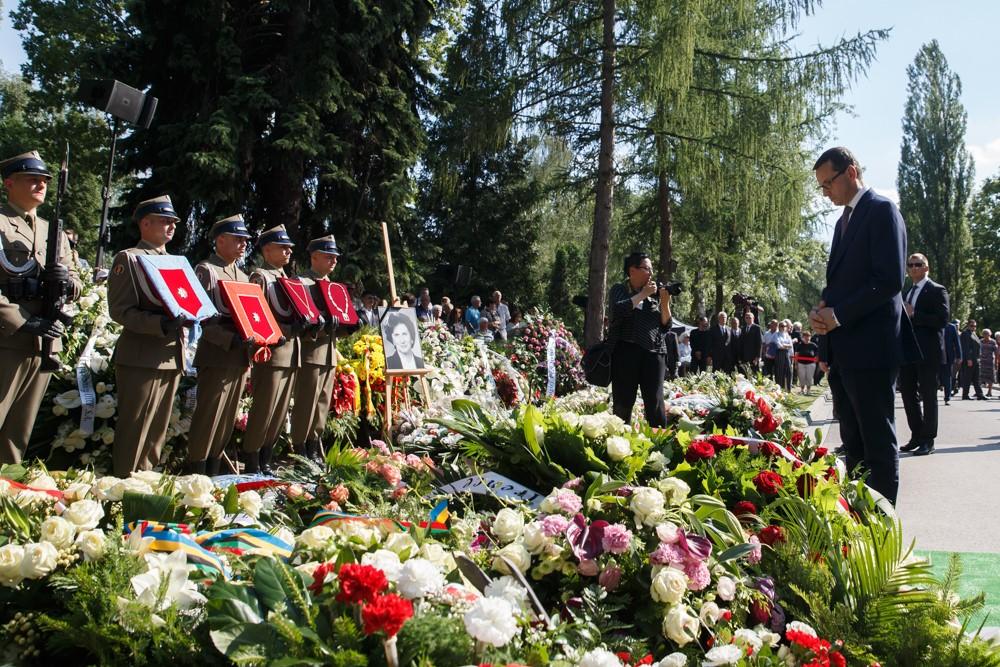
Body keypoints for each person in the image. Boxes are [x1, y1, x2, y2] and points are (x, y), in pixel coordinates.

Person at [810, 146, 915, 505]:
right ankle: (859, 520)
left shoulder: (881, 210)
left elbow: (888, 281)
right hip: (845, 351)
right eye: (822, 186)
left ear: (851, 172)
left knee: (877, 443)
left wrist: (837, 315)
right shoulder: (844, 220)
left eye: (829, 183)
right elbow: (841, 284)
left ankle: (883, 525)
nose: (826, 192)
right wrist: (823, 312)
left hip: (872, 349)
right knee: (852, 443)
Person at [0, 150, 82, 464]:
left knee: (18, 433)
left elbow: (76, 281)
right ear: (9, 183)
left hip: (45, 340)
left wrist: (66, 282)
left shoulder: (52, 230)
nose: (41, 185)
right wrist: (21, 320)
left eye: (44, 180)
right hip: (8, 337)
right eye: (32, 179)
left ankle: (7, 488)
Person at [107, 195, 186, 476]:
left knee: (156, 433)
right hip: (141, 355)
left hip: (170, 355)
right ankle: (123, 486)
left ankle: (145, 482)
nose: (171, 226)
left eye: (173, 222)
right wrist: (159, 323)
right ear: (145, 223)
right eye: (164, 221)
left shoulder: (176, 262)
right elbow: (120, 310)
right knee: (135, 429)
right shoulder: (129, 258)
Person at [186, 214, 254, 475]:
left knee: (227, 418)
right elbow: (200, 316)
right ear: (221, 240)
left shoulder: (243, 276)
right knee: (209, 416)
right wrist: (229, 339)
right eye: (238, 239)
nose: (243, 244)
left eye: (245, 240)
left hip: (240, 355)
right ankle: (197, 470)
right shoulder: (207, 270)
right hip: (217, 354)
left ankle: (214, 469)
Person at [243, 225, 306, 474]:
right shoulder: (261, 277)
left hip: (291, 352)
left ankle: (266, 457)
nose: (288, 251)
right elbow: (257, 315)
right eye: (282, 247)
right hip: (272, 352)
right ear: (267, 250)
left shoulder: (286, 278)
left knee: (279, 412)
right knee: (264, 409)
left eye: (289, 247)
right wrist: (286, 330)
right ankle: (252, 459)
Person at [290, 235, 342, 462]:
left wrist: (348, 326)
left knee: (322, 404)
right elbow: (299, 321)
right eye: (329, 256)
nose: (334, 261)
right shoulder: (300, 283)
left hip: (329, 353)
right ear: (314, 257)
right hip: (310, 351)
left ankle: (313, 447)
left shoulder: (333, 286)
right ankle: (299, 450)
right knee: (306, 404)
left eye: (335, 257)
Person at [606, 251, 673, 427]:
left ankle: (658, 441)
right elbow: (618, 310)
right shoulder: (620, 290)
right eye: (647, 269)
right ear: (632, 270)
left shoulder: (654, 295)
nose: (651, 273)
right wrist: (643, 294)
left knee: (655, 403)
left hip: (654, 354)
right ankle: (620, 440)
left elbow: (666, 325)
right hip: (626, 352)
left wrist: (665, 303)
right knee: (623, 403)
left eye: (652, 269)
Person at [897, 253, 949, 456]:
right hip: (908, 351)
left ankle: (928, 440)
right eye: (910, 265)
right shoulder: (907, 292)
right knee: (908, 394)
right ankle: (917, 435)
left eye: (918, 264)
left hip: (928, 352)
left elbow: (942, 319)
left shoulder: (937, 290)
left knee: (928, 395)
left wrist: (915, 314)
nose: (913, 268)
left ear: (926, 268)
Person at [959, 319, 985, 400]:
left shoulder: (973, 333)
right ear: (968, 326)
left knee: (976, 378)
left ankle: (980, 394)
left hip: (976, 359)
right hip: (969, 359)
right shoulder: (965, 334)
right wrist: (968, 359)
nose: (974, 327)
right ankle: (965, 395)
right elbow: (965, 347)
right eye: (972, 326)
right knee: (968, 377)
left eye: (975, 326)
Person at [941, 318, 962, 405]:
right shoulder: (934, 325)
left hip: (947, 356)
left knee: (947, 377)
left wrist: (959, 356)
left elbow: (957, 342)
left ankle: (947, 397)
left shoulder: (951, 327)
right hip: (935, 356)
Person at [738, 311, 763, 376]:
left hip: (753, 357)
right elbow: (741, 343)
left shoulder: (757, 328)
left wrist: (758, 357)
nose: (748, 319)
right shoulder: (743, 329)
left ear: (753, 318)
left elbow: (759, 343)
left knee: (754, 375)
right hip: (745, 357)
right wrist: (740, 357)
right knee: (745, 375)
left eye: (749, 317)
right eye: (746, 318)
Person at [773, 321, 794, 391]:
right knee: (780, 371)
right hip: (779, 353)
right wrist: (786, 345)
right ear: (779, 327)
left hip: (787, 353)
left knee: (789, 371)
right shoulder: (776, 334)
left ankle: (788, 389)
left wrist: (784, 345)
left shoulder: (787, 334)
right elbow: (779, 346)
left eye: (785, 326)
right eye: (782, 326)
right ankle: (780, 388)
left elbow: (791, 345)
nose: (783, 327)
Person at [980, 327, 997, 398]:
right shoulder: (980, 341)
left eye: (987, 334)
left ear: (990, 334)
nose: (986, 335)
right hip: (982, 362)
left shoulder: (993, 342)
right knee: (980, 377)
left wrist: (996, 362)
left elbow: (996, 352)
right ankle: (979, 392)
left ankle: (989, 392)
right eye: (984, 333)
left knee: (990, 377)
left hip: (990, 362)